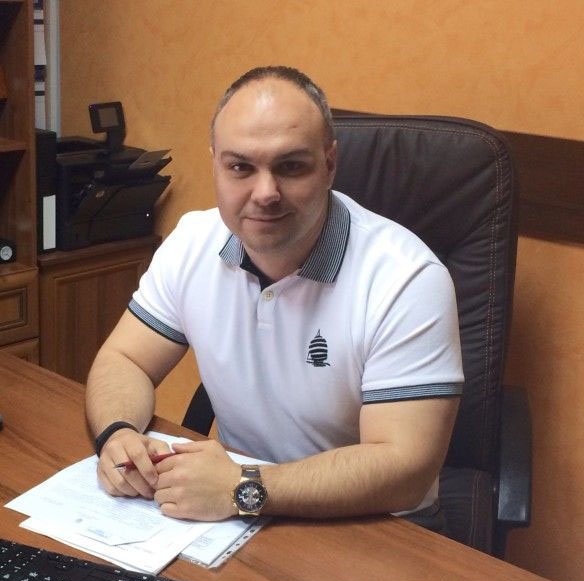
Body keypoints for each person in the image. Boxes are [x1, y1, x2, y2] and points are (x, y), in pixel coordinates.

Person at [86, 65, 463, 525]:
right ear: (216, 164)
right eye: (240, 167)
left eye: (291, 166)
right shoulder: (191, 243)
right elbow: (125, 359)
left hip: (374, 527)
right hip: (238, 516)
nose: (265, 193)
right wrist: (118, 433)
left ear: (329, 164)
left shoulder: (406, 279)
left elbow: (405, 468)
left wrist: (242, 486)